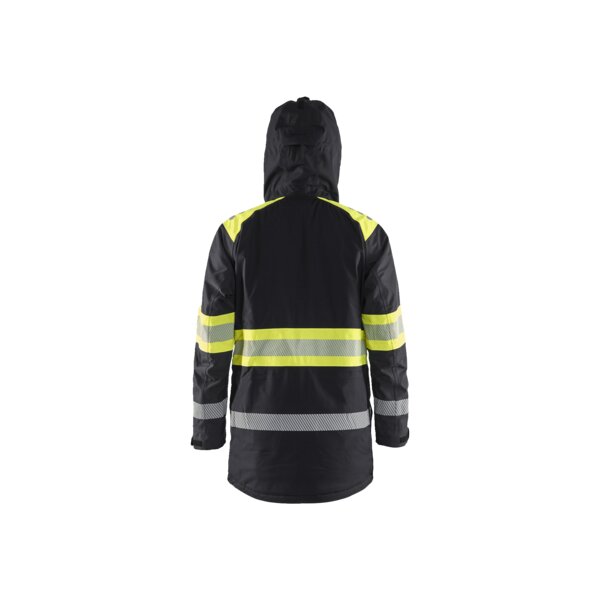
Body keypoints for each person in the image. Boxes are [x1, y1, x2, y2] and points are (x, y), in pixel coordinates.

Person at [192, 97, 409, 503]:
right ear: (333, 154)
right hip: (342, 457)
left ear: (271, 154)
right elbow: (388, 349)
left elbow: (211, 349)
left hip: (259, 456)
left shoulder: (234, 235)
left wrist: (208, 432)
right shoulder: (366, 235)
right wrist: (393, 431)